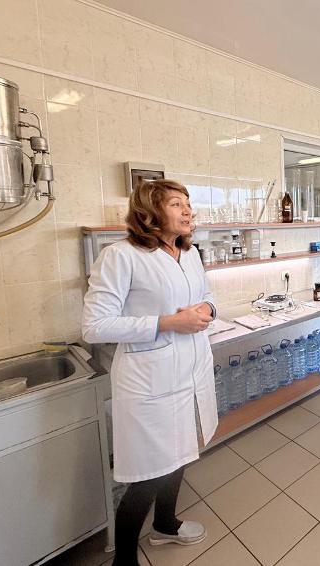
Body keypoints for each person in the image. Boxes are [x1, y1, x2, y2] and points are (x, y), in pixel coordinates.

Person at [82, 180, 218, 565]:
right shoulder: (119, 256)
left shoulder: (189, 253)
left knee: (181, 453)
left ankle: (165, 525)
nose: (188, 210)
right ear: (149, 213)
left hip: (189, 372)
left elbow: (208, 296)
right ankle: (124, 560)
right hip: (149, 382)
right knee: (149, 474)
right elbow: (94, 326)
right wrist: (166, 322)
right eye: (176, 204)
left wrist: (208, 310)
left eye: (188, 203)